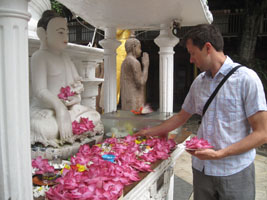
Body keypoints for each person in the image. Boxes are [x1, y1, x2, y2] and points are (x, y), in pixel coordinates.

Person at [135, 24, 267, 200]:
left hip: (234, 171)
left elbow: (262, 133)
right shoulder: (199, 82)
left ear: (207, 48)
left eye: (192, 53)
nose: (190, 59)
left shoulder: (246, 79)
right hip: (202, 171)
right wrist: (148, 132)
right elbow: (182, 116)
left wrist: (220, 154)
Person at [30, 10, 101, 148]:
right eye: (60, 32)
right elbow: (40, 91)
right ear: (42, 34)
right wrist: (59, 109)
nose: (65, 36)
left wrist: (76, 96)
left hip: (68, 109)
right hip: (46, 110)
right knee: (44, 128)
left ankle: (69, 128)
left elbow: (76, 85)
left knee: (94, 116)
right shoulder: (39, 57)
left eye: (67, 32)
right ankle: (66, 129)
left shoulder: (65, 57)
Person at [120, 38, 149, 111]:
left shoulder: (124, 62)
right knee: (134, 121)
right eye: (139, 48)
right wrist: (146, 66)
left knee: (127, 121)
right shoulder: (135, 62)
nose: (141, 50)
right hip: (134, 99)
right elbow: (141, 82)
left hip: (126, 98)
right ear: (134, 47)